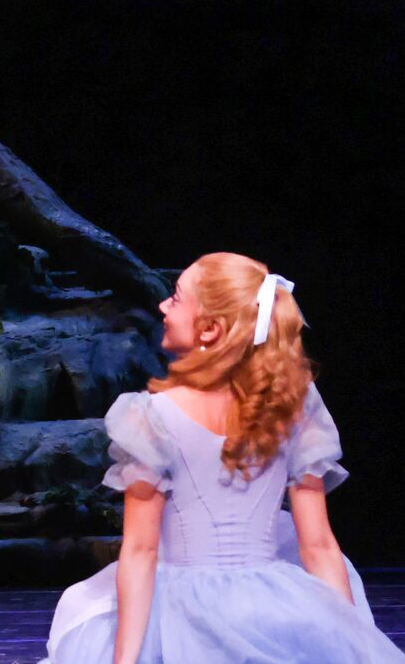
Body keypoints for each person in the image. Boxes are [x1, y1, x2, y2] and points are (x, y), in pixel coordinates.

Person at [44, 253, 395, 663]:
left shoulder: (150, 417)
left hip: (181, 613)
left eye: (175, 299)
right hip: (273, 607)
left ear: (210, 329)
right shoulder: (292, 408)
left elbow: (141, 551)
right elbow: (317, 546)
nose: (162, 307)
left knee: (86, 607)